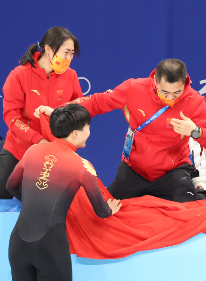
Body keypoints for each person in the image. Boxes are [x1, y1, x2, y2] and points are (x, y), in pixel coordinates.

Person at [45, 58, 206, 202]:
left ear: (185, 83)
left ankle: (200, 189)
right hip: (133, 171)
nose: (170, 98)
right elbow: (96, 102)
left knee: (191, 214)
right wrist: (63, 110)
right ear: (155, 80)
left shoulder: (195, 101)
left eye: (177, 93)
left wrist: (196, 131)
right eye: (165, 92)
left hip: (172, 173)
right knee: (103, 209)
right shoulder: (134, 88)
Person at [6, 104, 121, 281]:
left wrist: (34, 199)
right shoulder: (82, 165)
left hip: (18, 244)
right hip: (50, 247)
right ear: (75, 133)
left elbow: (11, 185)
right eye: (88, 127)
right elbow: (101, 210)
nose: (90, 132)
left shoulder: (33, 151)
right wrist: (110, 209)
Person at [0, 27, 83, 200]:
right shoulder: (19, 75)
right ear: (48, 49)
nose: (69, 59)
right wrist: (37, 139)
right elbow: (12, 117)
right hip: (18, 150)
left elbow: (78, 111)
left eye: (72, 54)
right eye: (66, 53)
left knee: (48, 204)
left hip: (53, 155)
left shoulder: (71, 76)